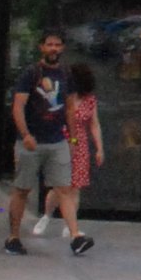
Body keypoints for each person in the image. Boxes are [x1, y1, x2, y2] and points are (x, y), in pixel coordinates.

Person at [2, 55, 66, 254]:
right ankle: (13, 236)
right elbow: (18, 106)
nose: (53, 49)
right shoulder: (30, 74)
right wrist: (25, 134)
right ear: (42, 47)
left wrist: (71, 138)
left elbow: (70, 106)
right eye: (49, 44)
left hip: (56, 140)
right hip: (31, 141)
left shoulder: (65, 74)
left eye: (57, 44)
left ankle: (75, 234)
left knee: (64, 188)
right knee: (22, 188)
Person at [55, 65, 101, 256]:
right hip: (62, 139)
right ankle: (51, 216)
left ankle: (71, 225)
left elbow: (94, 124)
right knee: (61, 185)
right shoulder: (65, 99)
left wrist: (99, 148)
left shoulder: (90, 101)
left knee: (76, 185)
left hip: (79, 143)